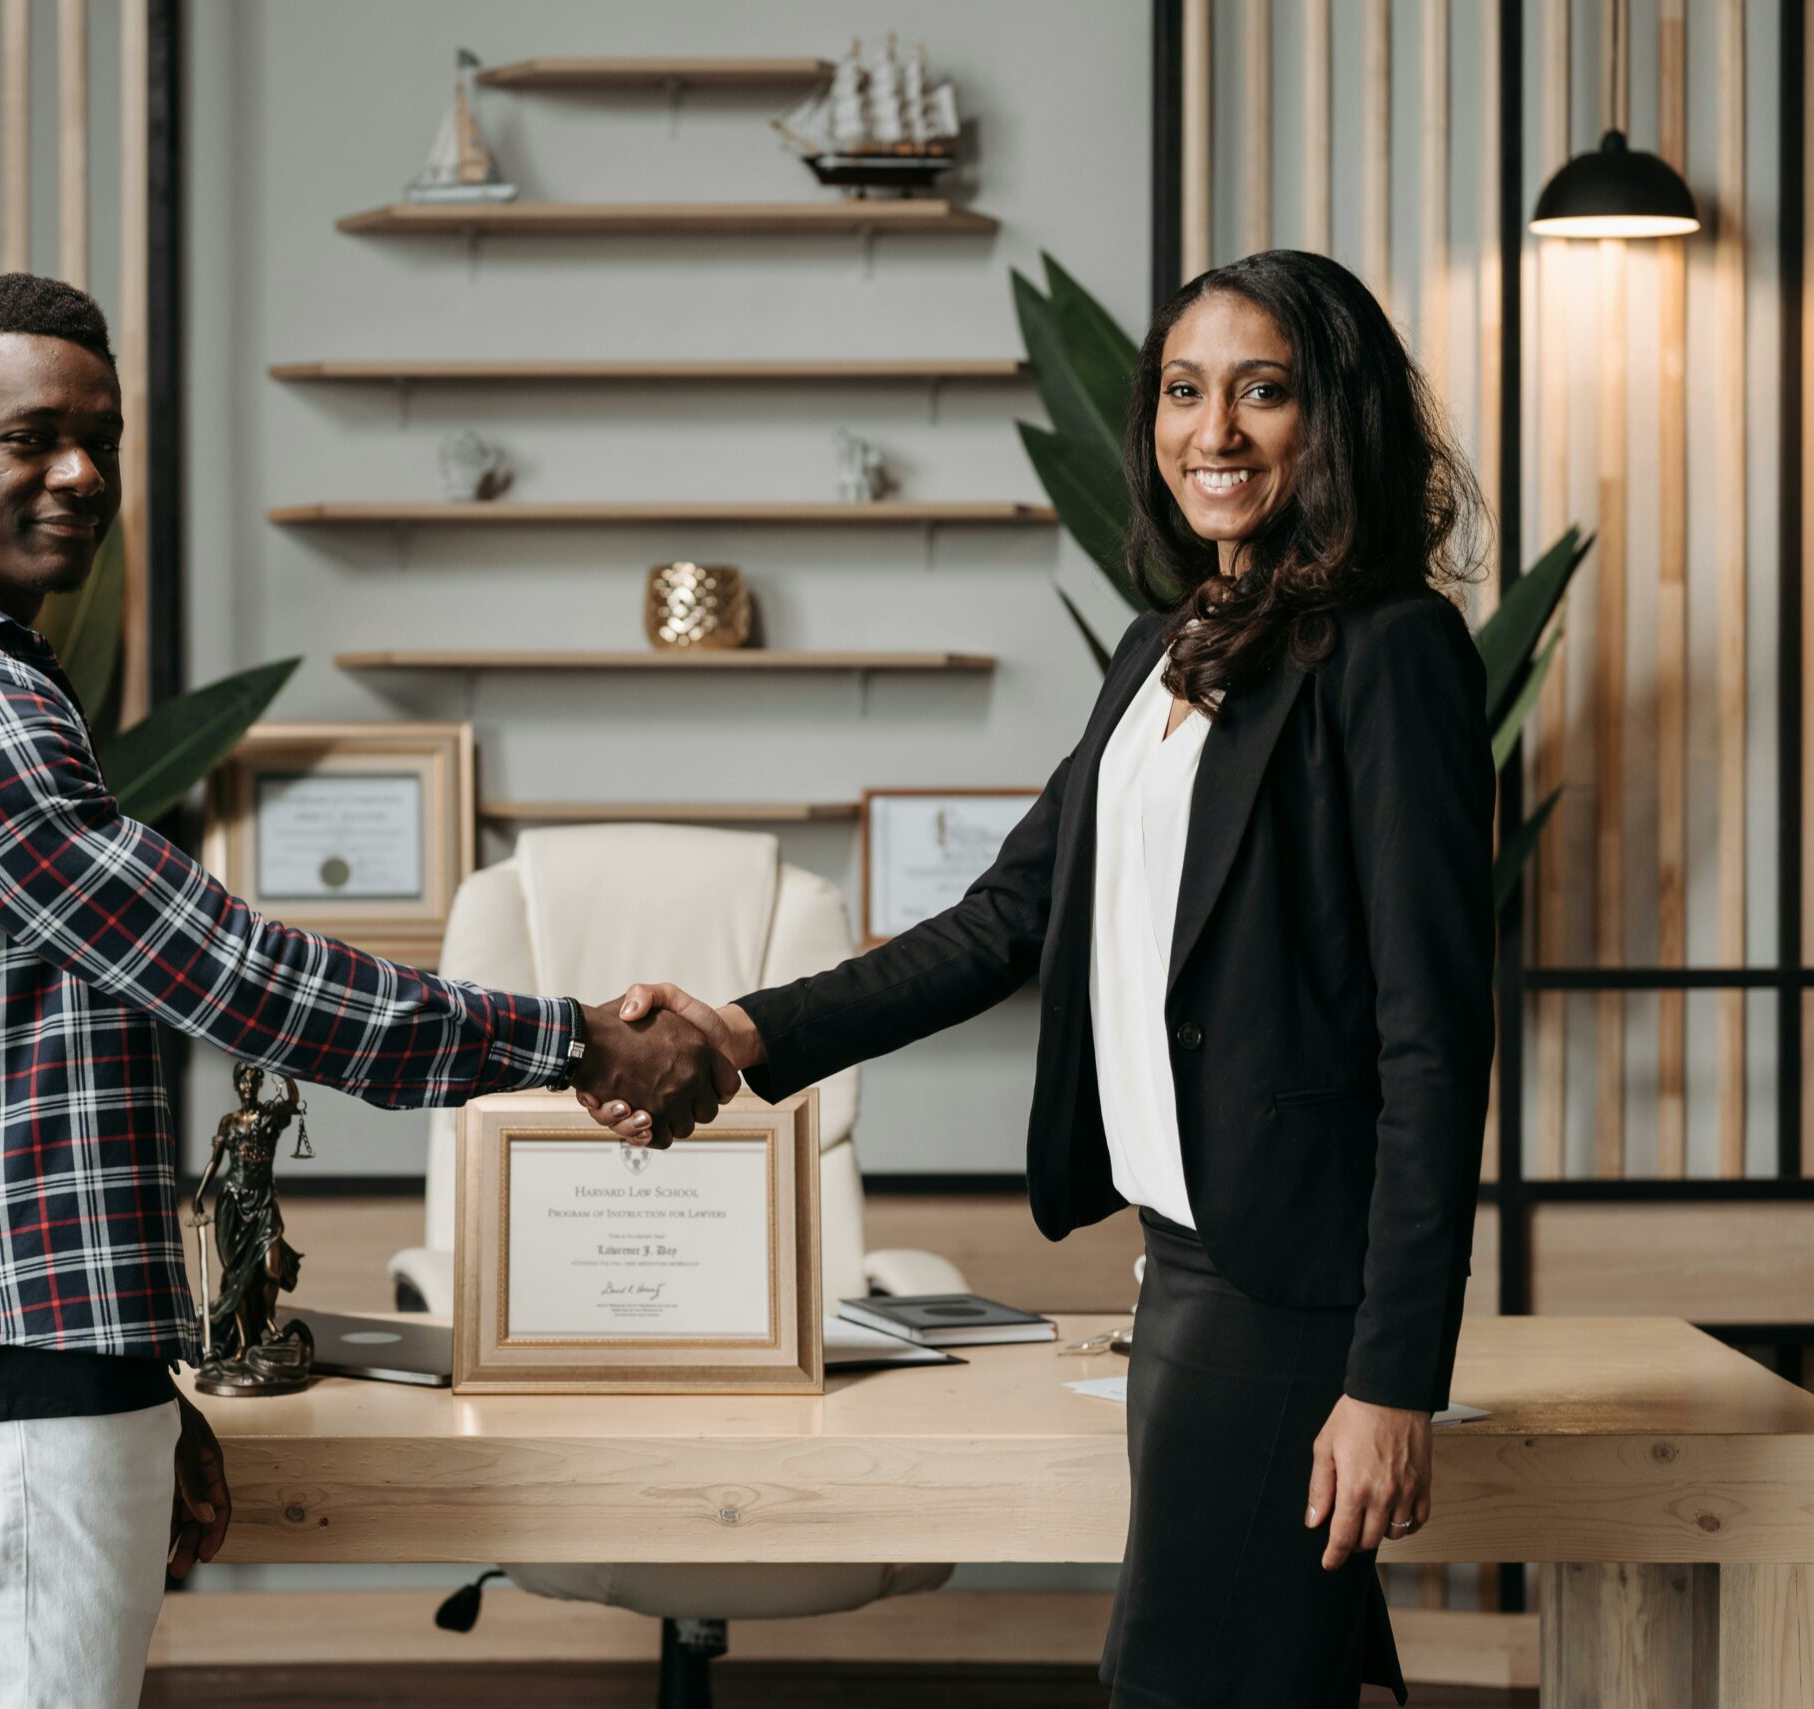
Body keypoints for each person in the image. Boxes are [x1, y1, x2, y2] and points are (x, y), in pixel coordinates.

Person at [0, 273, 733, 1709]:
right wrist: (574, 1037)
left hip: (20, 1369)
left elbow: (31, 1078)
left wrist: (134, 1382)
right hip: (3, 1390)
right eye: (33, 434)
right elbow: (233, 975)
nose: (82, 474)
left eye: (104, 438)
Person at [584, 249, 1494, 1707]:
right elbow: (1004, 921)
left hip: (1289, 1294)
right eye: (1184, 393)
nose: (1216, 433)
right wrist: (742, 1028)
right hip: (1184, 1268)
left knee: (1182, 1684)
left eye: (1265, 392)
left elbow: (1433, 1040)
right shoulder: (1165, 647)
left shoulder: (1393, 653)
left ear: (1336, 421)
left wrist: (1393, 1379)